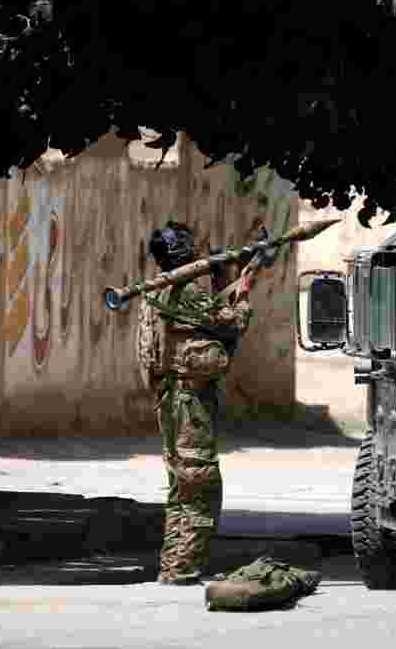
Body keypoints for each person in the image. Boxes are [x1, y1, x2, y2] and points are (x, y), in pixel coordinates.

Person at [137, 221, 256, 585]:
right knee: (200, 484)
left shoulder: (154, 292)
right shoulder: (183, 293)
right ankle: (182, 568)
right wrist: (243, 289)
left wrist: (222, 283)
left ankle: (175, 566)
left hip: (173, 398)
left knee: (182, 485)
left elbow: (207, 320)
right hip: (187, 401)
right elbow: (233, 321)